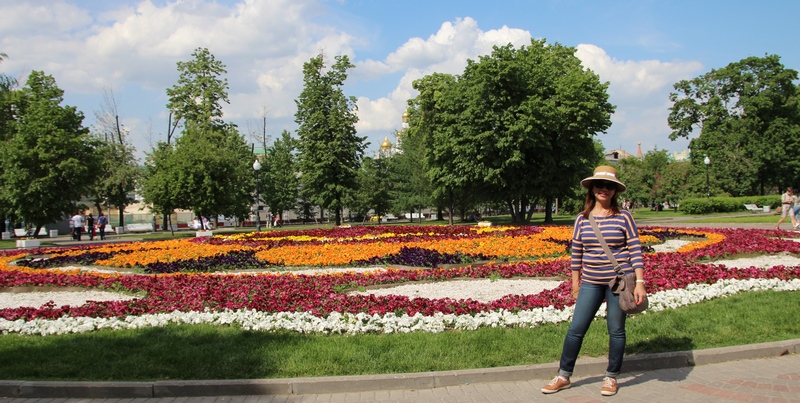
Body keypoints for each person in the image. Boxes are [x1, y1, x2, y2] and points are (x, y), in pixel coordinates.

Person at [542, 165, 647, 397]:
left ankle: (611, 377)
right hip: (590, 282)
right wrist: (575, 284)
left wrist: (640, 282)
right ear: (592, 189)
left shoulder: (624, 217)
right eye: (600, 185)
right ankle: (563, 376)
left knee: (616, 330)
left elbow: (635, 250)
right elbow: (576, 253)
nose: (604, 189)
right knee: (576, 329)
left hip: (618, 283)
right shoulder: (582, 219)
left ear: (615, 191)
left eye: (609, 186)